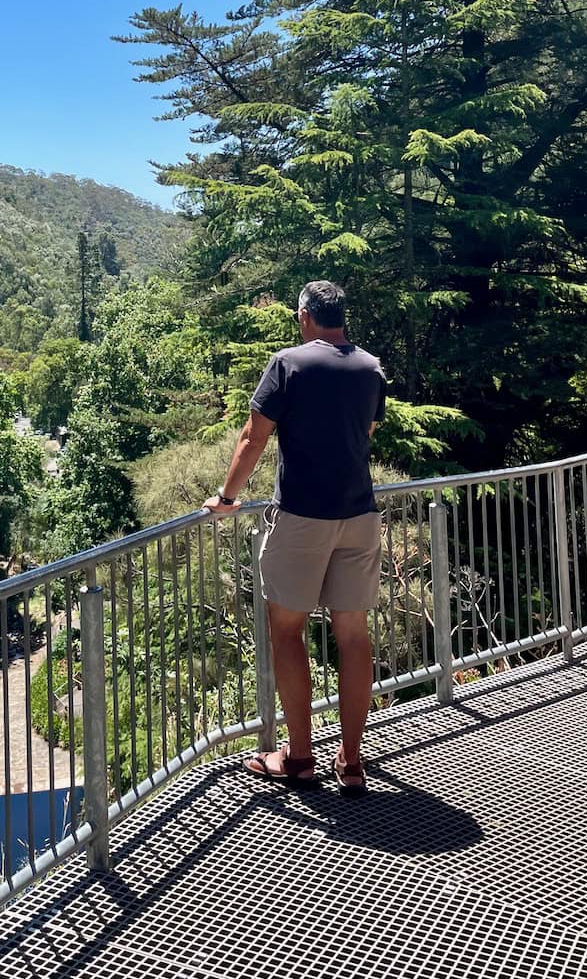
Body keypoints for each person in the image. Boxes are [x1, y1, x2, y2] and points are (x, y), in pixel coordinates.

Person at [203, 280, 385, 791]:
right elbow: (366, 434)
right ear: (341, 318)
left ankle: (300, 758)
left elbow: (254, 436)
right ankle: (351, 763)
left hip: (303, 516)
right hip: (360, 515)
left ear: (304, 316)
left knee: (287, 631)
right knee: (353, 637)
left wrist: (228, 496)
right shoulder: (370, 368)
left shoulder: (289, 363)